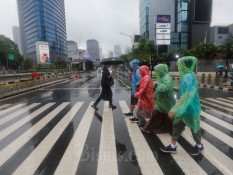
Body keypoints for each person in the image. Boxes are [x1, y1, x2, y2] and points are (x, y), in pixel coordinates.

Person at [160, 56, 204, 156]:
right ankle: (172, 146)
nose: (178, 66)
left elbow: (187, 95)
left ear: (185, 65)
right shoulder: (186, 76)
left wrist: (174, 109)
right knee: (177, 125)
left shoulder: (188, 77)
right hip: (184, 108)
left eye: (180, 64)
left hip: (190, 108)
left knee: (194, 127)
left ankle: (199, 146)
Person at [140, 64, 175, 134]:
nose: (157, 73)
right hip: (161, 101)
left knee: (157, 115)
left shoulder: (166, 78)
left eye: (157, 71)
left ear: (161, 70)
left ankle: (149, 128)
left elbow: (166, 89)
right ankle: (168, 128)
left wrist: (157, 84)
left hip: (165, 101)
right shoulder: (163, 77)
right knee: (162, 116)